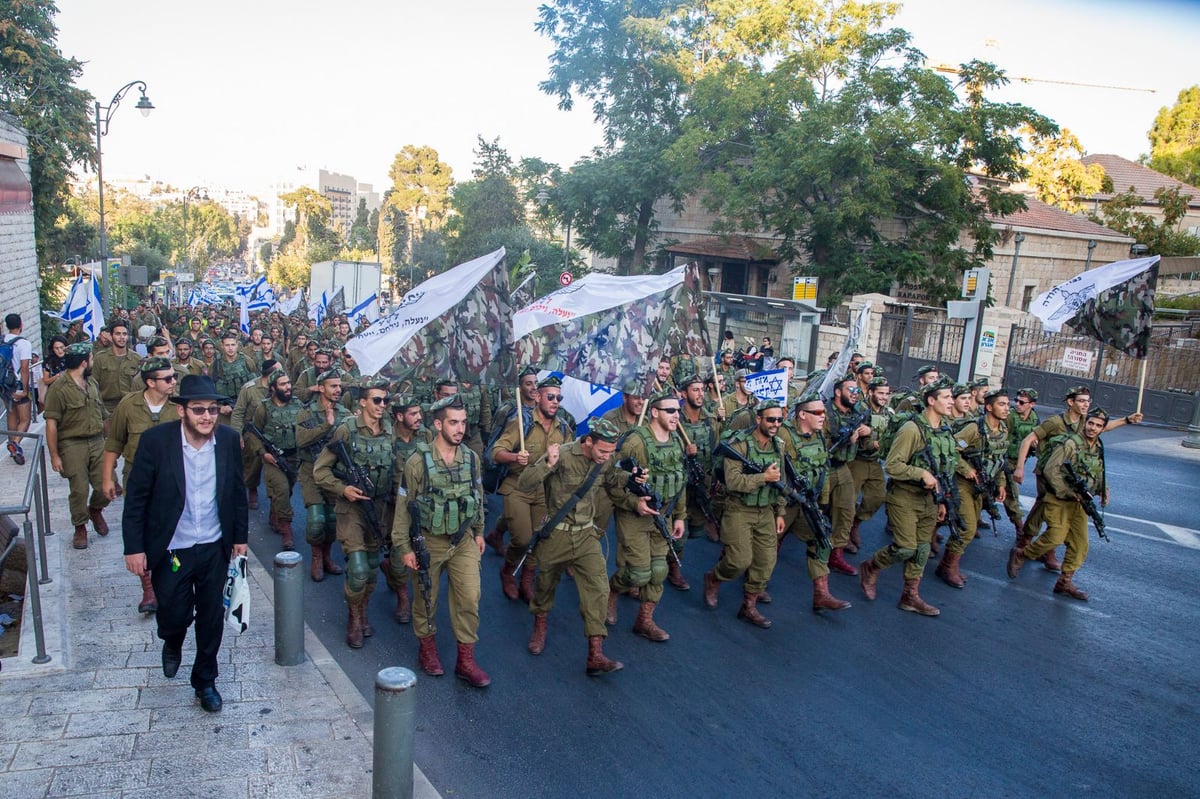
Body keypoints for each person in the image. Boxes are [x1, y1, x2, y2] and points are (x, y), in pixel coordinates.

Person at [123, 375, 248, 713]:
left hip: (213, 547)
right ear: (182, 411)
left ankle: (205, 681)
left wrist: (240, 538)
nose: (207, 417)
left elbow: (237, 492)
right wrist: (134, 548)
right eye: (198, 410)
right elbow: (136, 499)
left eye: (212, 410)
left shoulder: (228, 440)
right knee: (174, 613)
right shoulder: (155, 442)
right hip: (172, 550)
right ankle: (172, 639)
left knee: (210, 618)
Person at [519, 417, 639, 675]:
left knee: (598, 586)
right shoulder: (561, 454)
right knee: (545, 585)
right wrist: (547, 465)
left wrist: (633, 477)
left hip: (586, 535)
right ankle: (540, 625)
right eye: (603, 451)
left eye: (611, 452)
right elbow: (525, 482)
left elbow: (611, 478)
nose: (607, 457)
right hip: (556, 535)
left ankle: (595, 653)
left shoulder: (603, 462)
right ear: (587, 441)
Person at [391, 395, 490, 687]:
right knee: (425, 598)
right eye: (453, 422)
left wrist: (480, 531)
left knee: (470, 597)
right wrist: (404, 548)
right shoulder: (417, 462)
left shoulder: (471, 458)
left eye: (463, 422)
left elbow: (478, 495)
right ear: (437, 424)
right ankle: (428, 650)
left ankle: (466, 660)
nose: (460, 429)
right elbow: (403, 507)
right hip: (429, 541)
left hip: (463, 540)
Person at [859, 378, 958, 616]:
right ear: (931, 401)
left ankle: (910, 596)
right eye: (946, 397)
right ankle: (872, 566)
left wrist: (943, 499)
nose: (951, 401)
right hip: (904, 497)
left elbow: (946, 468)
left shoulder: (945, 429)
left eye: (951, 397)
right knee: (905, 547)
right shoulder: (912, 429)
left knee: (922, 549)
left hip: (930, 500)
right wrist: (920, 472)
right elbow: (892, 466)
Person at [314, 379, 395, 649]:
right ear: (362, 402)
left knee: (372, 569)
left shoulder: (389, 432)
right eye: (376, 400)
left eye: (385, 400)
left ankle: (362, 610)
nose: (382, 405)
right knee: (358, 569)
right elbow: (320, 471)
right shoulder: (345, 430)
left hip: (379, 509)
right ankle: (353, 617)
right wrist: (343, 488)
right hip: (350, 509)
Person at [102, 356, 181, 613]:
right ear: (150, 382)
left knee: (176, 530)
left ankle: (173, 580)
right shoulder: (129, 405)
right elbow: (114, 443)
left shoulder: (179, 406)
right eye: (167, 378)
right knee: (143, 531)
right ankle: (148, 589)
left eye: (174, 377)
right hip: (139, 479)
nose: (173, 382)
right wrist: (107, 477)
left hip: (175, 479)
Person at [606, 391, 687, 641]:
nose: (676, 415)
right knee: (639, 573)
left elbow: (680, 481)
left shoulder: (677, 441)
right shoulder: (636, 442)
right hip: (635, 517)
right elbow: (610, 480)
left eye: (677, 410)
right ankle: (612, 592)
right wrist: (634, 503)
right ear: (654, 412)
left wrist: (680, 516)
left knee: (659, 570)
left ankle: (645, 620)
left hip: (663, 515)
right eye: (670, 411)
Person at [1007, 407, 1110, 600]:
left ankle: (1064, 582)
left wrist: (1104, 490)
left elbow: (1100, 471)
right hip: (1059, 499)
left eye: (1098, 425)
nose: (1093, 428)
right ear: (1086, 423)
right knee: (1055, 537)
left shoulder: (1098, 447)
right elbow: (1051, 470)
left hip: (1079, 503)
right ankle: (1022, 553)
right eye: (1090, 423)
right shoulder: (1070, 444)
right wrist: (1068, 492)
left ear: (1103, 429)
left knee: (1080, 544)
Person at [703, 400, 789, 628]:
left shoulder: (778, 445)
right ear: (759, 419)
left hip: (766, 510)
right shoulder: (738, 445)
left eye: (779, 419)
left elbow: (781, 482)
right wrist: (763, 478)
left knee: (766, 562)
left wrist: (780, 512)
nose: (775, 424)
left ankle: (749, 606)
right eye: (771, 419)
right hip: (739, 508)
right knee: (738, 561)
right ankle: (714, 578)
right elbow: (733, 482)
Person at [490, 376, 573, 602]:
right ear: (537, 397)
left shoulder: (563, 428)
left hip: (545, 490)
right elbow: (496, 452)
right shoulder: (521, 422)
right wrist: (515, 456)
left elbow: (571, 456)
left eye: (559, 397)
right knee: (523, 538)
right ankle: (507, 571)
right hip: (517, 486)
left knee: (540, 538)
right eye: (551, 397)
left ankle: (526, 578)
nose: (556, 401)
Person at [780, 392, 852, 612]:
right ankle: (747, 588)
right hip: (784, 503)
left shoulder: (819, 436)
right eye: (818, 412)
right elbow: (779, 474)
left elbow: (823, 470)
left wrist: (822, 501)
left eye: (824, 411)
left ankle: (821, 593)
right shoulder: (785, 435)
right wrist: (779, 511)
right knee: (764, 548)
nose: (823, 416)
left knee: (820, 539)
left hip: (808, 501)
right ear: (802, 414)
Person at [936, 388, 1009, 589]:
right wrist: (965, 468)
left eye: (1007, 404)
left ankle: (945, 564)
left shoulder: (1002, 430)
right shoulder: (973, 429)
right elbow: (950, 449)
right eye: (1001, 404)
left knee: (969, 526)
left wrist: (1001, 483)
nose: (1006, 409)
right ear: (988, 407)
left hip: (981, 486)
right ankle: (949, 567)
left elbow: (999, 458)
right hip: (963, 483)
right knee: (967, 528)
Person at [43, 343, 111, 550]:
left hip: (97, 441)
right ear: (84, 362)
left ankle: (96, 509)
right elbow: (51, 424)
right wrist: (54, 455)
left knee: (104, 486)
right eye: (90, 359)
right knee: (79, 489)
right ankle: (80, 526)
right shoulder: (58, 389)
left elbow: (103, 414)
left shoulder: (92, 383)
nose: (92, 363)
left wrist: (112, 443)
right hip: (72, 444)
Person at [295, 369, 351, 582]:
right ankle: (316, 557)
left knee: (331, 518)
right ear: (320, 388)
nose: (338, 390)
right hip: (310, 470)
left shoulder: (345, 413)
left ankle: (327, 556)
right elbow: (301, 440)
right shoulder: (306, 412)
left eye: (339, 386)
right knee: (316, 519)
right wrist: (325, 425)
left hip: (334, 474)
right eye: (333, 386)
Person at [247, 370, 304, 550]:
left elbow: (307, 429)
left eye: (288, 383)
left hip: (293, 457)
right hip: (272, 458)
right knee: (282, 489)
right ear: (273, 388)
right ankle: (287, 532)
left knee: (287, 492)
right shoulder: (263, 408)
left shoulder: (298, 405)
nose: (288, 387)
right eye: (283, 384)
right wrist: (263, 453)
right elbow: (253, 434)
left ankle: (275, 514)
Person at [824, 376, 872, 576]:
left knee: (846, 511)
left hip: (843, 468)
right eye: (850, 390)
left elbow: (872, 433)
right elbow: (814, 443)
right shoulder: (825, 412)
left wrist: (868, 432)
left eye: (856, 391)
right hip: (823, 467)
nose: (854, 394)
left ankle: (836, 555)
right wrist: (844, 441)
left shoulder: (858, 412)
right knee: (804, 512)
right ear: (837, 392)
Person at [848, 376, 891, 554]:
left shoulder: (888, 412)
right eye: (880, 393)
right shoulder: (860, 408)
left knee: (877, 497)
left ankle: (855, 524)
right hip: (857, 460)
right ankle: (843, 536)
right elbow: (857, 434)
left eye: (887, 394)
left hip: (874, 461)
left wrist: (872, 432)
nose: (884, 397)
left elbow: (890, 433)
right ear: (871, 392)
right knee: (848, 500)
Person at [232, 360, 279, 510]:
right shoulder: (249, 389)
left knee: (277, 472)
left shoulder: (281, 388)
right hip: (252, 434)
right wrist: (237, 436)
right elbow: (238, 413)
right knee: (252, 466)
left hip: (274, 434)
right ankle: (252, 488)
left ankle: (276, 505)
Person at [1003, 388, 1039, 535]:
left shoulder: (1035, 419)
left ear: (1032, 404)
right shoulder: (1010, 416)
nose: (1017, 404)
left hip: (1019, 460)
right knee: (1011, 492)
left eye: (1022, 402)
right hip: (1005, 459)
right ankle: (1020, 528)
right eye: (1016, 400)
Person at [92, 320, 141, 416]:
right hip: (106, 408)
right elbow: (93, 384)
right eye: (118, 334)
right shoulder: (100, 358)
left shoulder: (136, 358)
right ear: (111, 336)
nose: (122, 337)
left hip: (130, 406)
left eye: (124, 334)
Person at [3, 313, 33, 464]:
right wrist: (26, 390)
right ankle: (15, 444)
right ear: (21, 325)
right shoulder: (23, 344)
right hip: (18, 384)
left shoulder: (2, 341)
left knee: (11, 415)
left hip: (4, 386)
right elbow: (24, 368)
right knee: (25, 419)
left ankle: (12, 444)